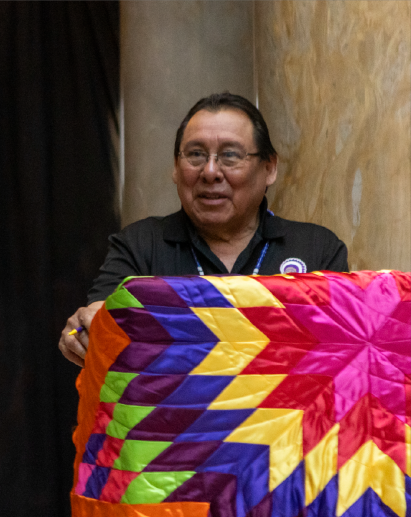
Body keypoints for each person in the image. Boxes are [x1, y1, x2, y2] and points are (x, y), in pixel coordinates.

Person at [59, 92, 348, 366]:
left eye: (230, 155)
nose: (210, 172)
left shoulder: (317, 249)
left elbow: (343, 349)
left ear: (269, 168)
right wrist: (84, 331)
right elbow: (101, 318)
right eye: (196, 154)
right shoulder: (140, 245)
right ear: (175, 167)